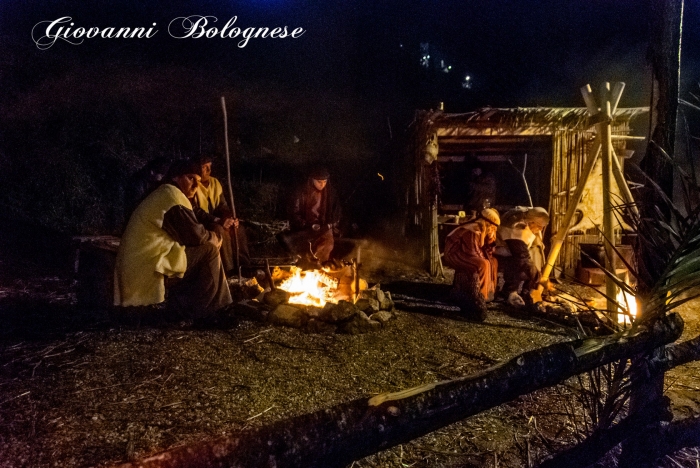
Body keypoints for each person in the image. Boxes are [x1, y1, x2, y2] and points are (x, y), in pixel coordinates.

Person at [114, 159, 232, 322]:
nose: (196, 186)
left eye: (198, 181)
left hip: (148, 261)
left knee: (196, 252)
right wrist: (216, 238)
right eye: (191, 178)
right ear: (176, 177)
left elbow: (192, 230)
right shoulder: (171, 196)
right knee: (209, 250)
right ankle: (207, 312)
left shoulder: (167, 194)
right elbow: (196, 236)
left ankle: (189, 308)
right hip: (145, 266)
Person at [193, 155, 251, 273]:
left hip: (218, 220)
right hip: (203, 222)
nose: (209, 170)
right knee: (219, 230)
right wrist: (218, 220)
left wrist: (229, 218)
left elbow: (222, 205)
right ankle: (229, 270)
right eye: (205, 167)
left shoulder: (215, 182)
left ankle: (245, 266)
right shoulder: (193, 183)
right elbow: (195, 211)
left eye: (210, 167)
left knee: (238, 229)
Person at [443, 208, 500, 321]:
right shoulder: (472, 230)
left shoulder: (483, 231)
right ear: (487, 223)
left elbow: (486, 251)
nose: (493, 229)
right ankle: (480, 297)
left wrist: (490, 241)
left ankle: (490, 292)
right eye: (492, 227)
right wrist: (486, 257)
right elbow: (472, 252)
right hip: (454, 254)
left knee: (493, 262)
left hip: (465, 254)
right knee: (482, 264)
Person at [279, 167, 342, 269]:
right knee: (301, 249)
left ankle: (319, 268)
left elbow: (337, 213)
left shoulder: (331, 193)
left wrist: (330, 224)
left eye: (325, 181)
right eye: (319, 182)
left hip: (324, 226)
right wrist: (307, 224)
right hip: (305, 226)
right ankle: (304, 268)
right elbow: (294, 213)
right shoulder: (302, 192)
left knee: (327, 243)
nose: (322, 184)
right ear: (312, 180)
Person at [494, 206, 550, 308]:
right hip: (502, 252)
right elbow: (522, 257)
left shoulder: (529, 214)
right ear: (531, 222)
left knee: (534, 254)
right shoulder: (516, 228)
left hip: (516, 252)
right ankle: (509, 291)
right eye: (539, 226)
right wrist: (539, 278)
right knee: (521, 266)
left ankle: (527, 291)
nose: (540, 229)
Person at [123, 157, 171, 222]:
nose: (163, 178)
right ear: (152, 172)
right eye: (162, 175)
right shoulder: (138, 182)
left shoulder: (151, 182)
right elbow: (136, 206)